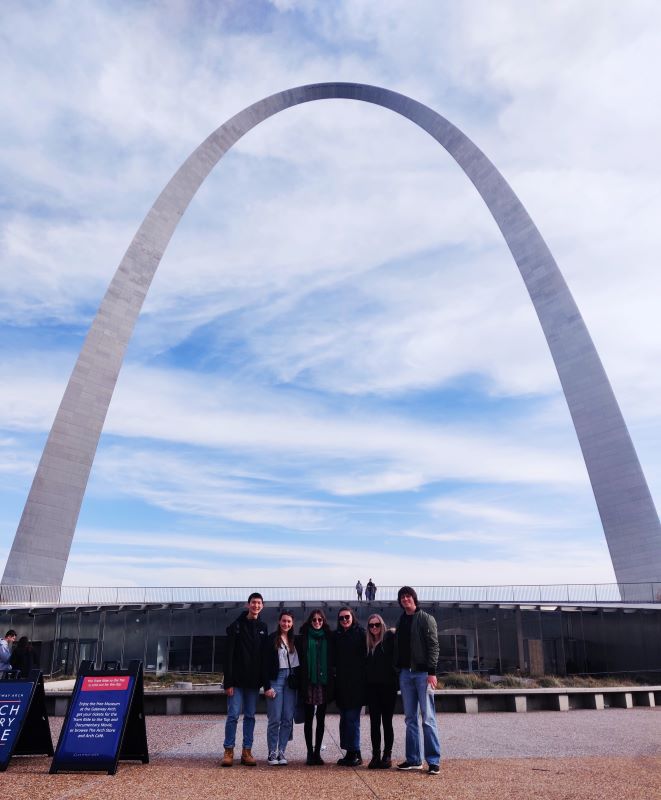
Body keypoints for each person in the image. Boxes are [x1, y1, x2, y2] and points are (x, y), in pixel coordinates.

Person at [394, 585, 441, 775]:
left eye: (408, 596)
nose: (405, 599)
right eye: (402, 597)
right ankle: (414, 759)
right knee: (410, 719)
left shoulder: (426, 619)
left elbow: (434, 645)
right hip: (406, 673)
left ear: (414, 598)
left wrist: (432, 671)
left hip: (423, 674)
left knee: (428, 718)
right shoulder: (401, 620)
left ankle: (433, 760)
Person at [222, 592, 268, 767]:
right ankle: (228, 750)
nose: (256, 605)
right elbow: (228, 655)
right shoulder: (236, 626)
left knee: (250, 716)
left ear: (262, 606)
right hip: (237, 681)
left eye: (259, 603)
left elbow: (264, 658)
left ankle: (246, 751)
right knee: (233, 715)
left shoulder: (263, 627)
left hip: (253, 683)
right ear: (248, 605)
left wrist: (265, 682)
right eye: (253, 602)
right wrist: (228, 682)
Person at [296, 608, 334, 765]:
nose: (317, 622)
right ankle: (309, 753)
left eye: (320, 619)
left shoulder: (329, 638)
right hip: (309, 682)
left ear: (323, 621)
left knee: (321, 718)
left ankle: (317, 752)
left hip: (323, 683)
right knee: (308, 718)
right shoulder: (303, 638)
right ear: (310, 621)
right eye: (314, 620)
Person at [264, 610, 299, 766]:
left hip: (290, 680)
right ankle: (272, 751)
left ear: (292, 624)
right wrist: (266, 686)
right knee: (275, 718)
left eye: (289, 622)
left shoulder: (294, 640)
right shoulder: (272, 639)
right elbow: (262, 664)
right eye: (284, 621)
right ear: (279, 622)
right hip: (276, 679)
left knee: (287, 718)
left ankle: (282, 751)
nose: (286, 624)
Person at [334, 606, 366, 767]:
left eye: (347, 617)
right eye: (341, 618)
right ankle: (350, 752)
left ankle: (355, 752)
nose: (345, 620)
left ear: (352, 617)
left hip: (356, 684)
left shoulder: (361, 633)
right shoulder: (337, 635)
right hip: (341, 684)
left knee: (353, 720)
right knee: (345, 720)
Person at [365, 613, 397, 769]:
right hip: (372, 689)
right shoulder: (369, 644)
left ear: (382, 625)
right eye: (371, 625)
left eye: (377, 624)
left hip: (388, 687)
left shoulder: (388, 639)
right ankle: (375, 755)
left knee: (387, 722)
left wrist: (392, 630)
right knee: (374, 723)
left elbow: (399, 633)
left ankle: (387, 755)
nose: (374, 628)